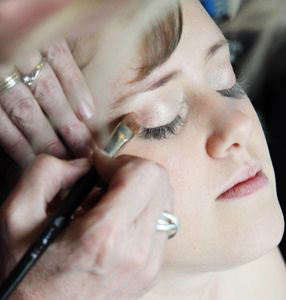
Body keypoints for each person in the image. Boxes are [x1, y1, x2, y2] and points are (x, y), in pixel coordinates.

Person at [0, 1, 286, 300]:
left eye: (227, 82)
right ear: (60, 192)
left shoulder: (241, 261)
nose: (238, 124)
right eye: (162, 122)